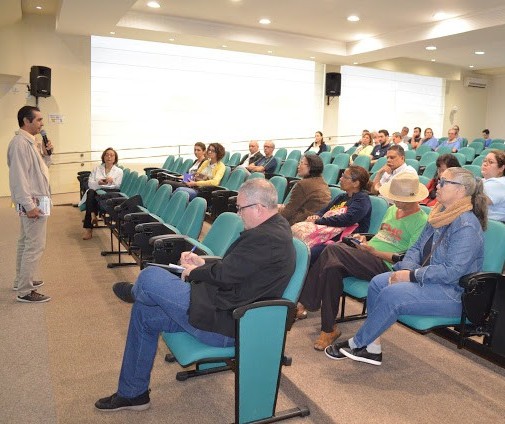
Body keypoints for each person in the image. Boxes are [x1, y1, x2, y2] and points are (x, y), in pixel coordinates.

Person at [95, 179, 295, 412]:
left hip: (228, 322)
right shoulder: (273, 229)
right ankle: (133, 394)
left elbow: (225, 273)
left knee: (150, 277)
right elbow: (236, 269)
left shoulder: (266, 239)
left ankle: (136, 291)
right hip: (222, 304)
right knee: (143, 313)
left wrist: (194, 273)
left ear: (258, 208)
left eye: (240, 208)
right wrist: (201, 263)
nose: (239, 214)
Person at [327, 168, 487, 365]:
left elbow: (452, 272)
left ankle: (358, 343)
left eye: (444, 182)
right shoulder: (440, 214)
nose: (437, 185)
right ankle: (372, 347)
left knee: (391, 294)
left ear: (461, 190)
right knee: (378, 282)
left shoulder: (466, 226)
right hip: (429, 281)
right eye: (439, 180)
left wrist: (411, 276)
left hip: (453, 293)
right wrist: (406, 270)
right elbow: (416, 248)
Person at [298, 173, 428, 351]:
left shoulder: (421, 221)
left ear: (412, 199)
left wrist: (375, 251)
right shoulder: (392, 210)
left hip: (386, 265)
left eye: (398, 199)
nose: (393, 201)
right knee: (332, 268)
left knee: (333, 249)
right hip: (367, 255)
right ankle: (329, 329)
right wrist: (365, 241)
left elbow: (408, 258)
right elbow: (383, 236)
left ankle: (306, 302)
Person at [8, 106, 53, 303]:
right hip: (33, 200)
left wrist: (47, 154)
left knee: (26, 241)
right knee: (35, 245)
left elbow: (42, 169)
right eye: (39, 120)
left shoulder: (31, 142)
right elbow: (18, 178)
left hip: (38, 197)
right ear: (27, 121)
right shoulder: (20, 143)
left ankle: (21, 280)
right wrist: (29, 206)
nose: (42, 124)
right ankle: (25, 291)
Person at [298, 165, 371, 267]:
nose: (340, 179)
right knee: (296, 243)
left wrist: (319, 221)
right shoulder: (342, 197)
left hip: (341, 240)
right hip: (326, 233)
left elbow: (347, 220)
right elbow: (323, 211)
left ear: (356, 183)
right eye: (341, 176)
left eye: (345, 177)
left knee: (307, 252)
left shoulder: (362, 200)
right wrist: (316, 217)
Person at [81, 148, 123, 240]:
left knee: (91, 197)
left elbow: (118, 186)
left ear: (115, 158)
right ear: (103, 157)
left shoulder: (119, 171)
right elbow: (90, 184)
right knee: (91, 192)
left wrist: (112, 181)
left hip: (110, 193)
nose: (109, 157)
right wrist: (98, 183)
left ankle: (90, 224)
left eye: (111, 155)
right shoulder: (97, 169)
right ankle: (92, 216)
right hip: (97, 190)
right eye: (107, 155)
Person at [278, 154, 331, 225]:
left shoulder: (303, 184)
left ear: (311, 167)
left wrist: (274, 223)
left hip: (302, 220)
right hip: (316, 219)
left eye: (301, 163)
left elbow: (290, 210)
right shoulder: (322, 181)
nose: (298, 166)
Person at [481, 150, 505, 222]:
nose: (485, 164)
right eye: (484, 161)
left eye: (490, 162)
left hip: (492, 228)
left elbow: (476, 202)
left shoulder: (500, 183)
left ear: (501, 168)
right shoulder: (484, 180)